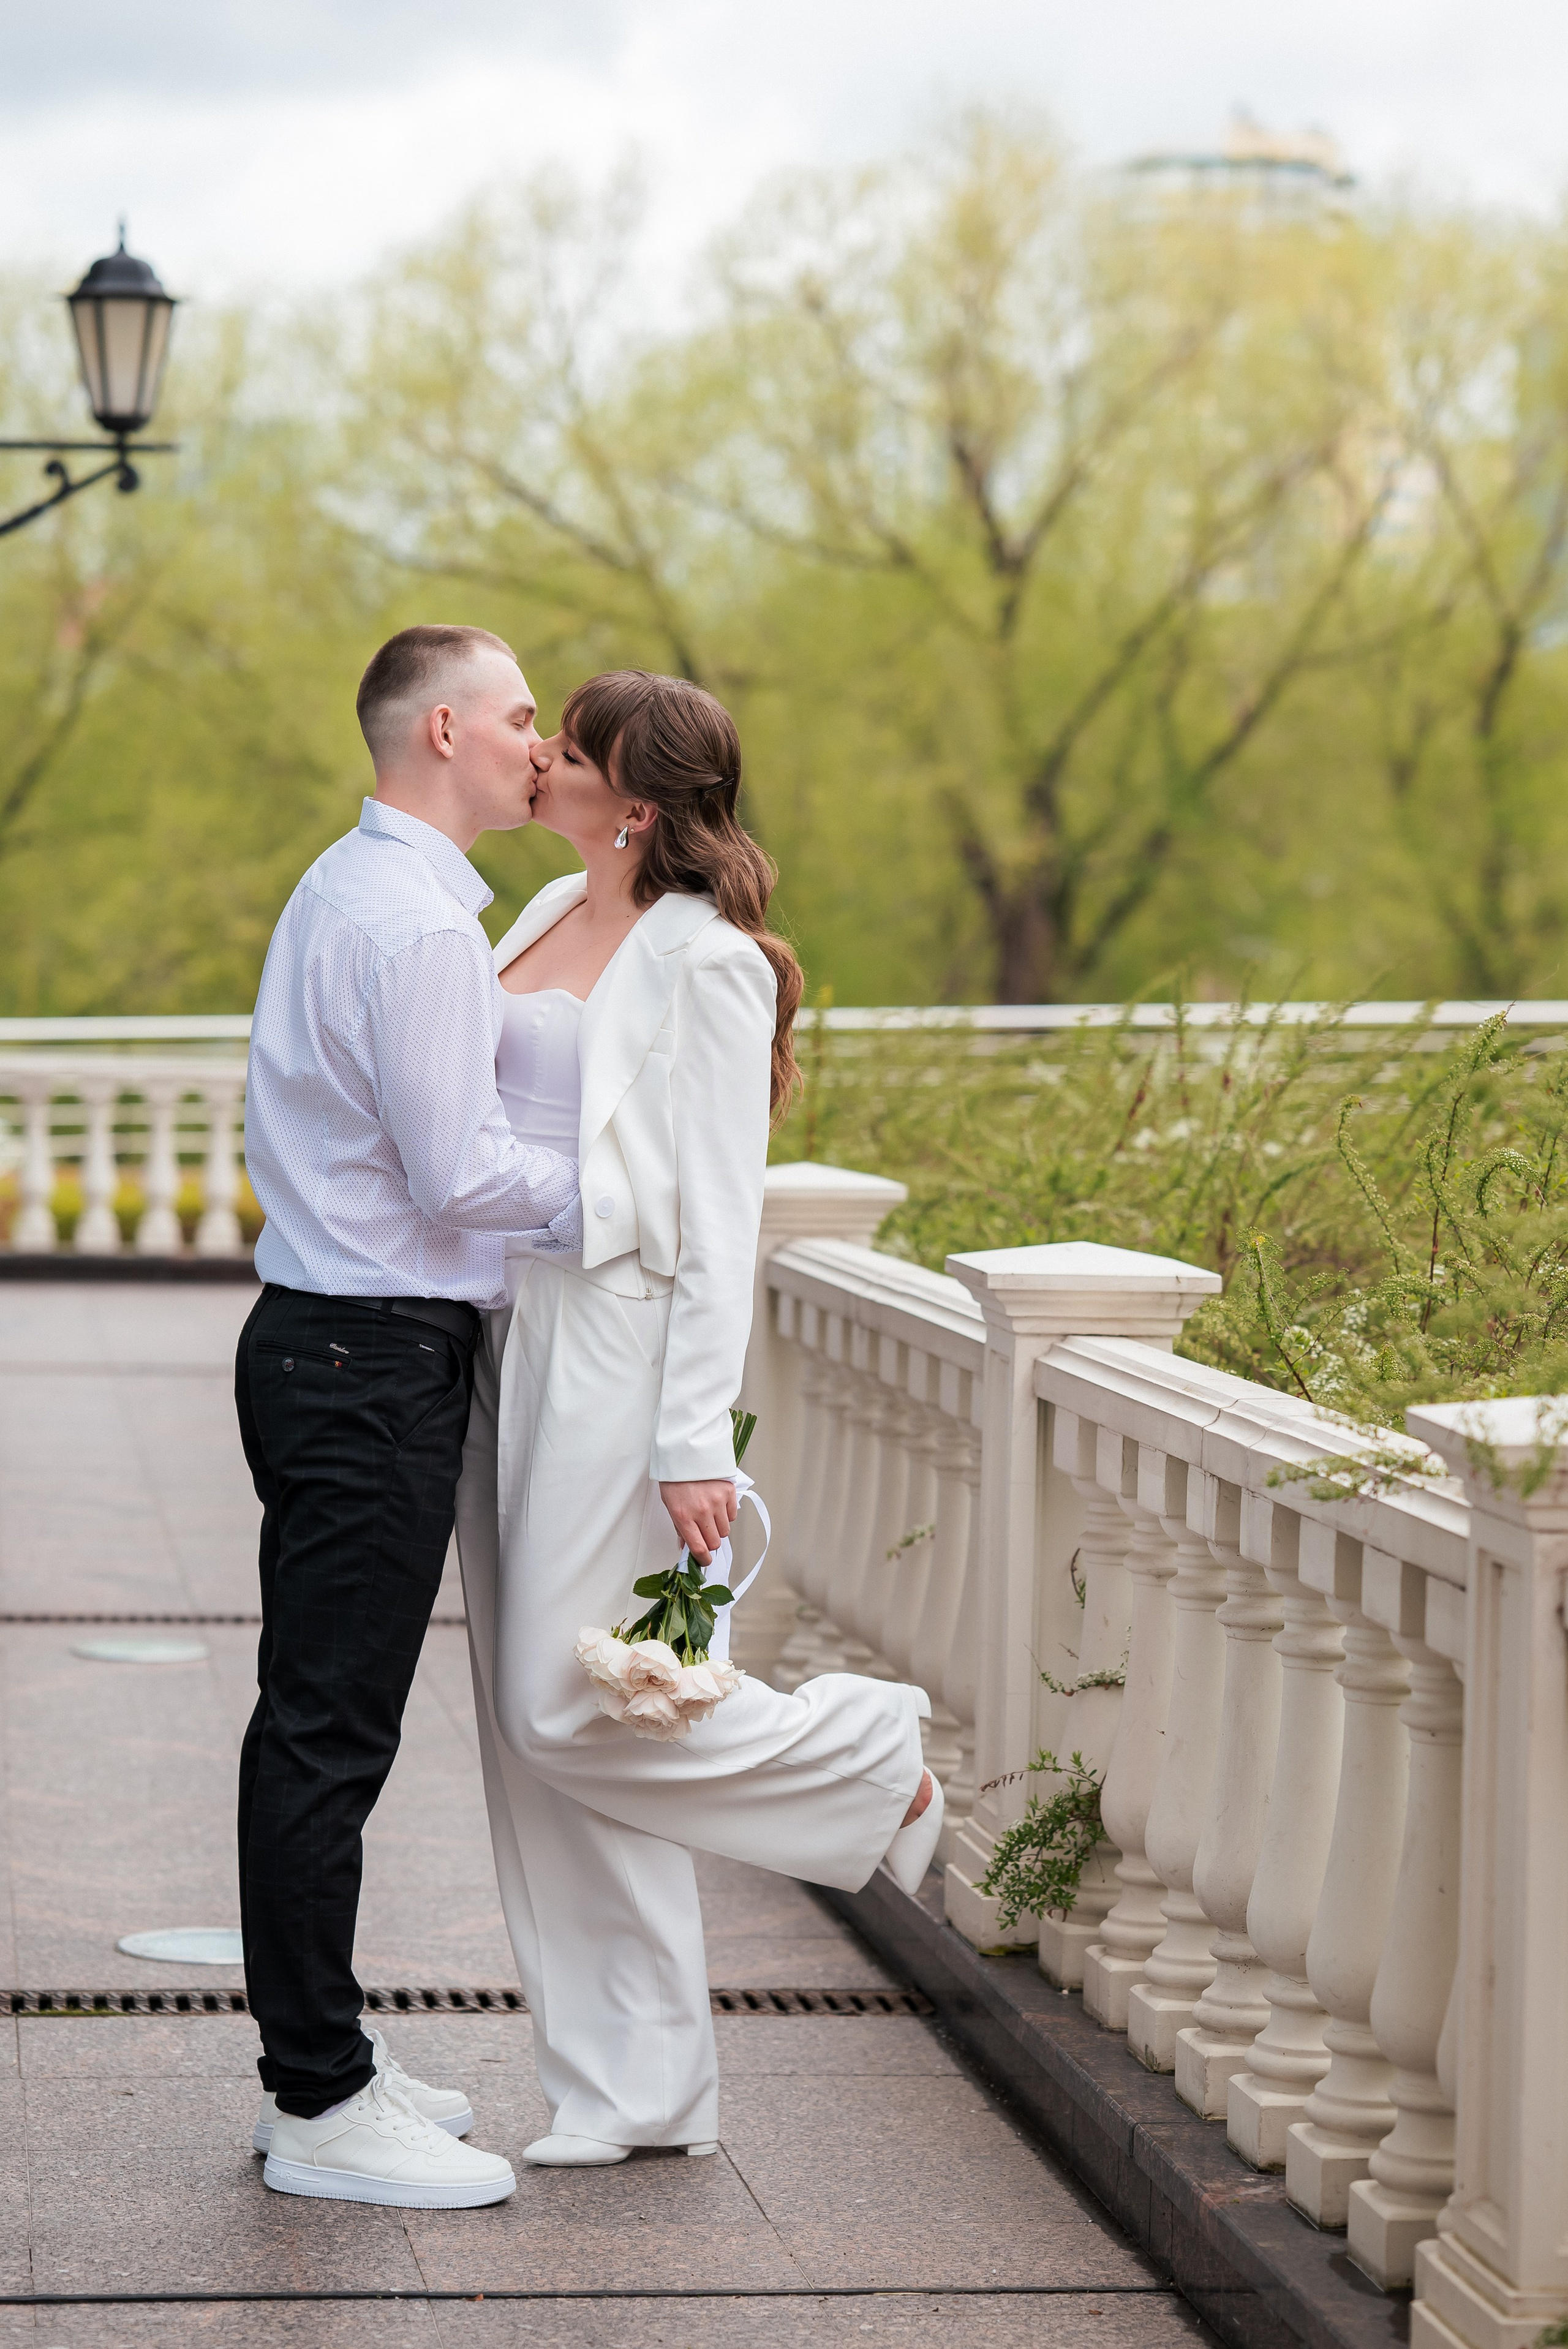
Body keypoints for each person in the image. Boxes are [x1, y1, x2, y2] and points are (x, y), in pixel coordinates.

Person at [455, 668, 943, 2166]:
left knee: (571, 1706)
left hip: (615, 1348)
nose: (539, 757)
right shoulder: (536, 919)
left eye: (570, 749)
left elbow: (720, 1225)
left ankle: (870, 1765)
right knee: (543, 1725)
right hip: (496, 1337)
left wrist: (690, 1441)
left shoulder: (709, 967)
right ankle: (628, 2088)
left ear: (637, 804)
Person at [236, 623, 584, 2209]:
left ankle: (337, 2064)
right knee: (328, 1733)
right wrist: (629, 1200)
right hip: (365, 1358)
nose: (539, 743)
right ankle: (314, 2098)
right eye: (520, 718)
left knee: (322, 1724)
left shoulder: (347, 888)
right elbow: (458, 1176)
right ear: (443, 731)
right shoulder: (423, 928)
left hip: (329, 1342)